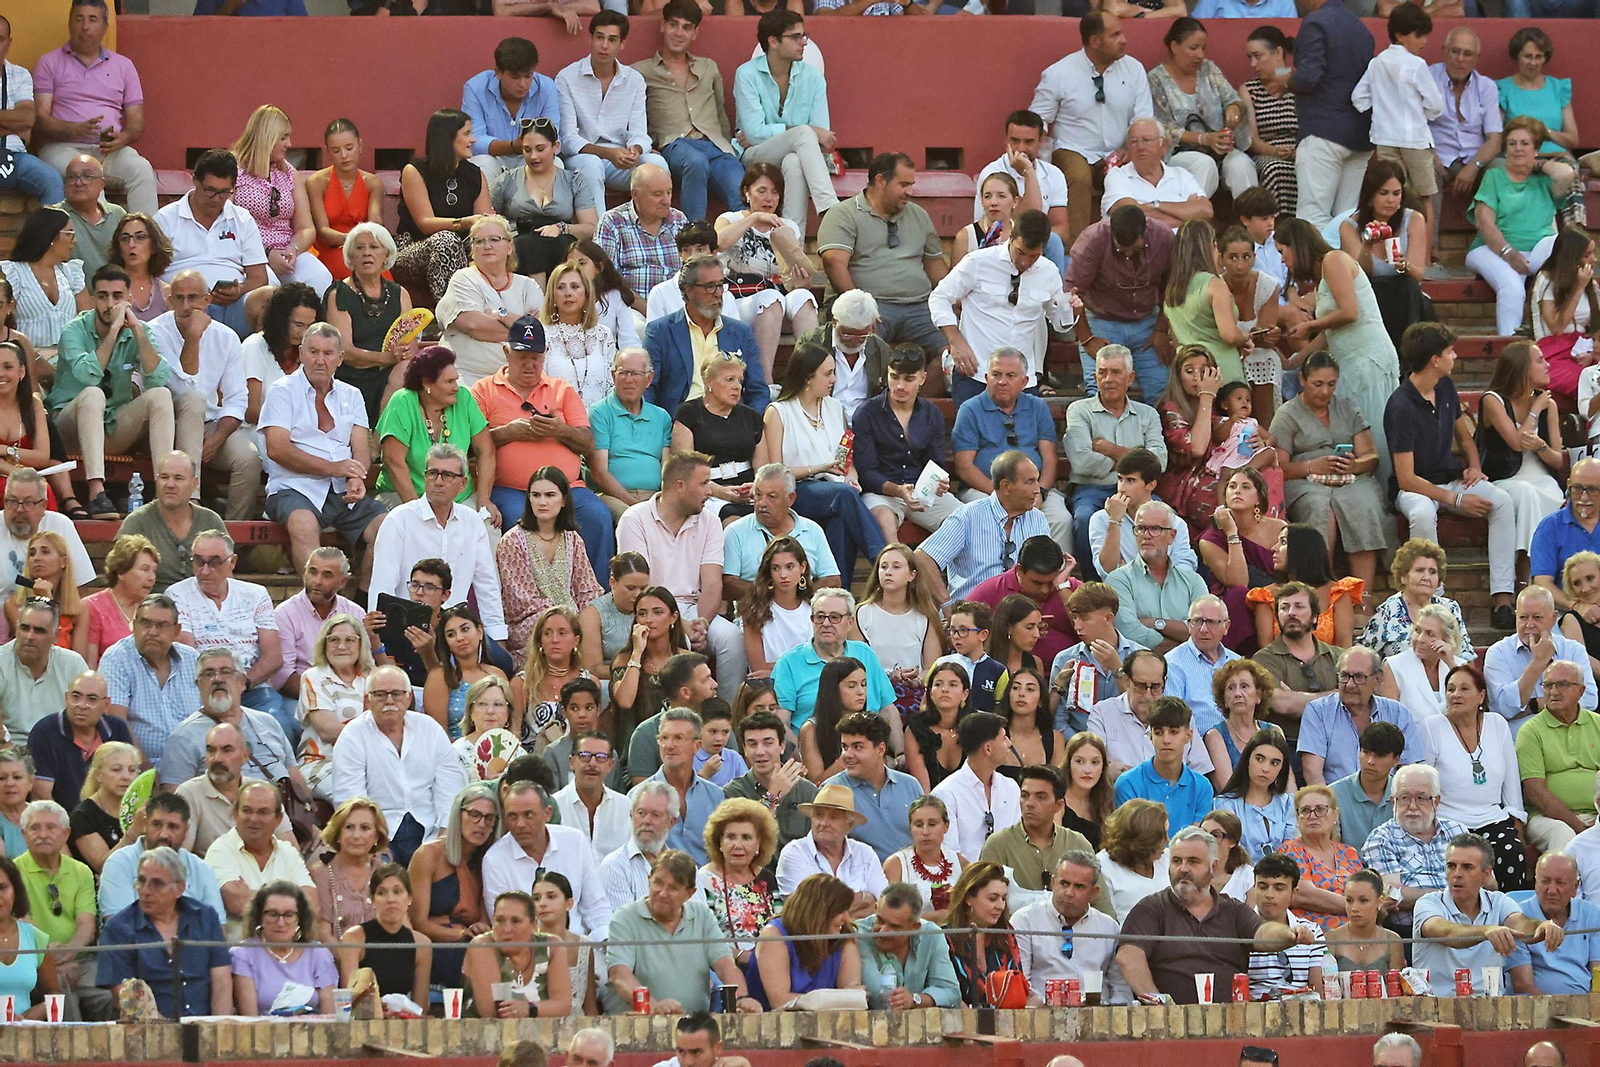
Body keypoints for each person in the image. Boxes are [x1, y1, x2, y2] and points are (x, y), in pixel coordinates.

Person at [1384, 323, 1513, 626]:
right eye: (1450, 351)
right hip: (1414, 487)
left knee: (1502, 501)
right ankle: (1433, 600)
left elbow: (1464, 437)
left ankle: (1503, 598)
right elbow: (1406, 478)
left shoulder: (1445, 386)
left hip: (1450, 477)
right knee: (1422, 514)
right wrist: (1454, 500)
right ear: (1434, 360)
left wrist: (1475, 465)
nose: (1455, 356)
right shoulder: (1400, 405)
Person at [1274, 217, 1400, 491]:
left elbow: (1349, 312)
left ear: (1297, 245)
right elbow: (1330, 333)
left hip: (1368, 360)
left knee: (1374, 435)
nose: (1283, 260)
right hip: (1349, 363)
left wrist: (1309, 325)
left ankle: (1385, 498)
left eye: (1283, 251)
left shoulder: (1334, 260)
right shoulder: (1322, 277)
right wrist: (1294, 361)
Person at [1117, 826, 1310, 1004]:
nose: (1183, 869)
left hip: (1231, 1020)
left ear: (1214, 867)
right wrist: (1159, 1005)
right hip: (1168, 1022)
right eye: (1176, 861)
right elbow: (1128, 956)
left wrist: (1290, 935)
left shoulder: (1233, 909)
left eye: (1193, 861)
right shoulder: (1151, 908)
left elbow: (1263, 933)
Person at [617, 452, 747, 700]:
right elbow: (640, 587)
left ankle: (727, 713)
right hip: (649, 609)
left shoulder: (710, 521)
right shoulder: (634, 519)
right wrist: (679, 625)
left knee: (732, 638)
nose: (710, 491)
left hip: (694, 608)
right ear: (679, 486)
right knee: (680, 640)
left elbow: (712, 584)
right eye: (704, 483)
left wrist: (702, 623)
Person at [47, 266, 173, 521]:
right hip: (69, 428)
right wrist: (114, 330)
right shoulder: (74, 329)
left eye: (117, 296)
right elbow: (88, 375)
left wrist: (137, 330)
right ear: (93, 298)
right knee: (93, 393)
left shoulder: (138, 329)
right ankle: (97, 492)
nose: (110, 304)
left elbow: (158, 377)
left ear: (128, 299)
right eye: (103, 296)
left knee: (160, 395)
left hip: (111, 426)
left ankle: (164, 491)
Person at [1268, 353, 1389, 611]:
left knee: (1363, 502)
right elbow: (1278, 467)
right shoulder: (1287, 414)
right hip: (1304, 480)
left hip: (1348, 478)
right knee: (1320, 506)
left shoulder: (1347, 409)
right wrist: (1311, 466)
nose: (1325, 391)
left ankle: (1363, 598)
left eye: (1331, 384)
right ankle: (1321, 594)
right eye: (1318, 384)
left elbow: (1371, 456)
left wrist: (1356, 465)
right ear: (1302, 380)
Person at [1031, 13, 1155, 243]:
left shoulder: (1134, 69)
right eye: (1115, 35)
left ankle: (1133, 246)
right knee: (1079, 177)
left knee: (1134, 172)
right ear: (1095, 41)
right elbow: (1037, 120)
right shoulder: (1059, 73)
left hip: (1120, 151)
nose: (1124, 40)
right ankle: (1074, 252)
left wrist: (1131, 148)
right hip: (1073, 149)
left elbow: (1144, 118)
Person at [930, 209, 1076, 403]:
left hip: (1022, 378)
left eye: (1033, 256)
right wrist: (955, 341)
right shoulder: (978, 261)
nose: (1024, 262)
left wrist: (1071, 309)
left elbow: (1059, 323)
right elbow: (939, 297)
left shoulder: (1048, 271)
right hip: (976, 371)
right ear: (1011, 237)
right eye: (1020, 252)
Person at [144, 272, 255, 520]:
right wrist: (193, 337)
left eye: (193, 298)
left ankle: (231, 534)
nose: (186, 306)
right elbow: (183, 389)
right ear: (169, 301)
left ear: (207, 300)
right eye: (179, 298)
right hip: (165, 423)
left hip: (209, 424)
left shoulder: (226, 337)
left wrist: (216, 439)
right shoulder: (155, 332)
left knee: (248, 460)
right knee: (194, 400)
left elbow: (237, 399)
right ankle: (190, 503)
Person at [331, 665, 468, 866]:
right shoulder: (352, 736)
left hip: (429, 831)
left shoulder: (429, 729)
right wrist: (372, 843)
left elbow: (451, 788)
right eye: (380, 694)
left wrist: (444, 836)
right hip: (379, 836)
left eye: (396, 694)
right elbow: (350, 798)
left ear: (409, 697)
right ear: (367, 700)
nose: (389, 701)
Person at [815, 153, 947, 357]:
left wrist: (953, 301)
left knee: (953, 352)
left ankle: (927, 381)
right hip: (871, 305)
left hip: (920, 307)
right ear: (880, 181)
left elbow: (936, 266)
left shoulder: (919, 215)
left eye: (911, 185)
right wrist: (862, 308)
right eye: (903, 184)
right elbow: (834, 263)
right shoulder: (843, 214)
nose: (910, 192)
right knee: (866, 352)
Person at [32, 0, 155, 216]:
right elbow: (40, 119)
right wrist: (73, 129)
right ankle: (104, 234)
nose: (85, 27)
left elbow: (137, 122)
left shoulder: (124, 66)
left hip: (110, 151)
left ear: (105, 27)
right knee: (87, 175)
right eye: (79, 19)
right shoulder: (49, 62)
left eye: (92, 19)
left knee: (142, 170)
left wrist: (123, 138)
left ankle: (147, 235)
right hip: (62, 149)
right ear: (70, 24)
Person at [607, 849, 757, 1014]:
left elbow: (725, 965)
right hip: (637, 1024)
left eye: (673, 888)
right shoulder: (625, 917)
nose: (662, 893)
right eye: (658, 883)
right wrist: (655, 1008)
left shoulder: (702, 915)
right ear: (649, 879)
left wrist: (742, 999)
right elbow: (619, 976)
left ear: (690, 893)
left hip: (694, 1024)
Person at [634, 2, 743, 228]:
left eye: (686, 27)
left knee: (739, 183)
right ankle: (693, 235)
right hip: (674, 145)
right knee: (695, 161)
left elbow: (720, 112)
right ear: (663, 26)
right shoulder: (641, 71)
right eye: (673, 25)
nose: (679, 32)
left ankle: (752, 242)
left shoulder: (708, 67)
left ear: (695, 33)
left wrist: (729, 147)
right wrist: (646, 144)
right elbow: (633, 114)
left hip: (713, 145)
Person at [1064, 346, 1167, 577]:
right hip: (1091, 489)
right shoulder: (1079, 411)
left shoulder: (1147, 414)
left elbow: (1159, 462)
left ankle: (1153, 580)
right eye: (1102, 373)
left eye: (1116, 372)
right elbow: (1082, 462)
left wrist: (1110, 449)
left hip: (1138, 489)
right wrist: (1138, 458)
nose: (1108, 379)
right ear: (1095, 378)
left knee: (1162, 516)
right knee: (1084, 519)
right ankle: (1094, 584)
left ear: (1130, 378)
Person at [732, 10, 837, 233]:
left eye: (804, 35)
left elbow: (822, 135)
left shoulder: (813, 78)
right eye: (796, 36)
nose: (804, 42)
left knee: (793, 161)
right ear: (773, 41)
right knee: (804, 133)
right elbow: (754, 134)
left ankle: (791, 239)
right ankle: (830, 209)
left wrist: (797, 133)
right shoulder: (747, 74)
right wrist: (806, 131)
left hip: (797, 155)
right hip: (755, 155)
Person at [97, 848, 232, 1018]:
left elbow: (222, 983)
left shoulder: (205, 917)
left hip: (205, 1024)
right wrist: (166, 1030)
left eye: (157, 883)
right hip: (148, 1028)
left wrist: (218, 1027)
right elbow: (124, 997)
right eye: (141, 881)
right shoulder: (119, 928)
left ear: (179, 889)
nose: (145, 891)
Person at [554, 12, 666, 217]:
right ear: (590, 39)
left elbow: (640, 132)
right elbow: (568, 139)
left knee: (657, 165)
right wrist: (608, 154)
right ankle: (599, 232)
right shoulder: (567, 77)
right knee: (592, 164)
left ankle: (652, 228)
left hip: (621, 159)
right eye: (599, 37)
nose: (604, 45)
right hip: (582, 158)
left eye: (612, 39)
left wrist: (635, 150)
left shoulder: (634, 80)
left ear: (622, 44)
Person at [1415, 832, 1555, 996]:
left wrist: (1543, 926)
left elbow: (1522, 925)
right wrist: (1486, 931)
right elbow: (1447, 933)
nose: (1457, 874)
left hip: (1490, 1006)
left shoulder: (1499, 901)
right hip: (1434, 1006)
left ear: (1486, 874)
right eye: (1451, 866)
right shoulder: (1428, 903)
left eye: (1467, 867)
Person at [716, 168, 819, 383]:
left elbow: (793, 274)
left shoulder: (787, 226)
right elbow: (718, 243)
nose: (769, 198)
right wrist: (754, 217)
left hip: (777, 297)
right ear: (746, 192)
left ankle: (809, 378)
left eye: (775, 192)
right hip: (739, 299)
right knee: (771, 299)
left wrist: (801, 284)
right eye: (761, 191)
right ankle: (764, 381)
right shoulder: (730, 218)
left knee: (803, 297)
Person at [154, 151, 269, 339]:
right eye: (210, 190)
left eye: (224, 193)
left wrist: (239, 290)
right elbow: (147, 274)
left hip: (232, 306)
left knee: (269, 298)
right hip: (183, 305)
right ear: (195, 181)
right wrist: (182, 294)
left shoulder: (242, 218)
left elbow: (259, 277)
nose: (216, 199)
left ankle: (257, 355)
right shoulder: (166, 219)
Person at [1065, 204, 1174, 403]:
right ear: (1112, 233)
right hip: (1102, 320)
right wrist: (1087, 339)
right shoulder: (1092, 240)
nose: (1129, 254)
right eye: (1122, 249)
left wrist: (1161, 328)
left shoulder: (1164, 238)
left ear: (1145, 232)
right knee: (1098, 391)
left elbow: (1173, 286)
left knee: (1162, 390)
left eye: (1136, 249)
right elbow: (1072, 294)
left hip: (1148, 323)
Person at [643, 254, 769, 420]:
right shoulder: (660, 331)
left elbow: (758, 390)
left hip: (730, 423)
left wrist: (751, 426)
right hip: (680, 422)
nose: (718, 293)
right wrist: (658, 426)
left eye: (720, 285)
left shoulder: (741, 332)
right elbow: (647, 388)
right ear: (688, 291)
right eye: (710, 287)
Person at [1465, 118, 1559, 337]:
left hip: (1538, 250)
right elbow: (1485, 223)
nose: (1518, 148)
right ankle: (1509, 345)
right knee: (1512, 287)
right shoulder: (1494, 176)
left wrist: (1540, 165)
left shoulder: (1544, 179)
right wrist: (1507, 252)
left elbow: (1566, 175)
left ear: (1536, 148)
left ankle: (1554, 343)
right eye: (1512, 143)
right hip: (1493, 249)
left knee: (1566, 256)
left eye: (1525, 143)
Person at [854, 349, 958, 544]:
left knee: (965, 521)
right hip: (881, 492)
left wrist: (940, 481)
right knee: (884, 522)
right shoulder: (867, 413)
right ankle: (894, 562)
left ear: (922, 378)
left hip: (922, 490)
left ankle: (927, 561)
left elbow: (936, 462)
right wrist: (898, 490)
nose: (900, 386)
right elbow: (867, 472)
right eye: (894, 377)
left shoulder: (931, 413)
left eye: (909, 379)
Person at [228, 106, 334, 299]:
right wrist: (266, 254)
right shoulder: (234, 171)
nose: (289, 144)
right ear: (267, 137)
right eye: (283, 138)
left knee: (320, 279)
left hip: (286, 250)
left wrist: (293, 249)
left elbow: (306, 228)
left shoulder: (289, 173)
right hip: (248, 254)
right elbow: (225, 224)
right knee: (271, 289)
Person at [1478, 340, 1565, 571]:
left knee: (1548, 493)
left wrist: (1540, 446)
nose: (1547, 365)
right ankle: (1528, 569)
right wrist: (1535, 409)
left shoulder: (1550, 406)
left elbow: (1557, 460)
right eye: (1540, 361)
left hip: (1542, 480)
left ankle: (1544, 569)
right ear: (1523, 367)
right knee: (1526, 493)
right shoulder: (1493, 400)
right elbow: (1517, 443)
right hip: (1506, 479)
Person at [1147, 19, 1257, 200]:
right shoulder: (1156, 79)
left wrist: (1234, 109)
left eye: (1203, 48)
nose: (1200, 55)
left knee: (1241, 164)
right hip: (1179, 153)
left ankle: (1252, 216)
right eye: (1193, 48)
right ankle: (1192, 216)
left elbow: (1232, 99)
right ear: (1174, 46)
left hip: (1219, 149)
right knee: (1204, 164)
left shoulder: (1209, 69)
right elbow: (1163, 129)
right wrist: (1204, 139)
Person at [480, 781, 607, 937]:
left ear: (547, 814)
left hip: (578, 943)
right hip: (525, 948)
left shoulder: (575, 841)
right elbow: (504, 925)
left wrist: (604, 943)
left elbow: (596, 907)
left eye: (528, 815)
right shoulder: (495, 859)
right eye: (512, 816)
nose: (520, 824)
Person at [436, 217, 546, 389]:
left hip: (517, 379)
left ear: (510, 247)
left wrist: (500, 314)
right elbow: (475, 325)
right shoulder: (464, 279)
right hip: (467, 375)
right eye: (479, 241)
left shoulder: (528, 286)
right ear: (472, 250)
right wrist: (523, 329)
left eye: (495, 239)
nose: (487, 246)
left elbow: (540, 332)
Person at [1333, 160, 1434, 349]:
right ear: (1370, 196)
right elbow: (1360, 274)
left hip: (1405, 298)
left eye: (1396, 194)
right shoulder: (1349, 226)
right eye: (1384, 193)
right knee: (1375, 289)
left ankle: (1408, 352)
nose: (1391, 200)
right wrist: (1367, 246)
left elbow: (1419, 274)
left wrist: (1404, 265)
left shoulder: (1414, 219)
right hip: (1371, 294)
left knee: (1409, 286)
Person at [394, 109, 490, 304]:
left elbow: (483, 222)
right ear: (447, 138)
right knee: (446, 240)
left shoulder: (475, 174)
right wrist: (464, 222)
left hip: (462, 249)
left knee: (494, 241)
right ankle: (452, 312)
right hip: (414, 248)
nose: (473, 139)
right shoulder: (415, 171)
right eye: (467, 134)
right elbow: (425, 224)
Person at [408, 783, 498, 989]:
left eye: (489, 818)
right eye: (474, 815)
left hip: (475, 947)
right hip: (435, 947)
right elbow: (417, 922)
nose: (481, 824)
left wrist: (478, 931)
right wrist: (461, 935)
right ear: (458, 814)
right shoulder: (428, 854)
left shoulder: (490, 860)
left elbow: (485, 921)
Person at [1362, 764, 1468, 936]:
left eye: (1421, 798)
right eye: (1404, 798)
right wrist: (1453, 894)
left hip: (1468, 920)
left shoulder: (1458, 831)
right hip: (1415, 933)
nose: (1412, 806)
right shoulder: (1380, 839)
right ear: (1393, 802)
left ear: (1436, 801)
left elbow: (1487, 882)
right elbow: (1393, 896)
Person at [203, 781, 316, 939]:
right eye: (247, 811)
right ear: (235, 814)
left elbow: (312, 903)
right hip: (240, 951)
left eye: (263, 812)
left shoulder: (288, 852)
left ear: (278, 819)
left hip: (288, 950)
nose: (254, 819)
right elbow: (238, 903)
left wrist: (253, 895)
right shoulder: (220, 851)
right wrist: (290, 905)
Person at [1497, 28, 1584, 229]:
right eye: (1527, 56)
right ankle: (1549, 227)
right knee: (1533, 176)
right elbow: (1497, 136)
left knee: (1565, 173)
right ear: (1517, 56)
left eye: (1539, 56)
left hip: (1555, 157)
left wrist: (1546, 133)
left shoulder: (1557, 88)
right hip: (1518, 157)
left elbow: (1573, 139)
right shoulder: (1504, 89)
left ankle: (1572, 234)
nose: (1533, 62)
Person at [1299, 646, 1423, 786]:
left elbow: (1408, 771)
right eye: (1344, 676)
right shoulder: (1318, 711)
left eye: (1359, 677)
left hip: (1387, 798)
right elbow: (1312, 773)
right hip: (1335, 797)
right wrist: (1326, 800)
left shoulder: (1398, 714)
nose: (1350, 684)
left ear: (1377, 680)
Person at [97, 790, 222, 923]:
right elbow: (119, 927)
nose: (163, 834)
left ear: (186, 830)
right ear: (145, 825)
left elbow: (218, 927)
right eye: (157, 825)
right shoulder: (119, 863)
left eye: (173, 827)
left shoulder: (201, 869)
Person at [1486, 587, 1598, 736]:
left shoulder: (1573, 650)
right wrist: (1538, 661)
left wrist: (1536, 704)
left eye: (1537, 617)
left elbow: (1590, 699)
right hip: (1521, 739)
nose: (1529, 624)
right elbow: (1504, 708)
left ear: (1553, 618)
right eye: (1523, 617)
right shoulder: (1498, 652)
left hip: (1570, 735)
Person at [1515, 659, 1600, 852]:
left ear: (1581, 691)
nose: (1553, 691)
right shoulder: (1530, 731)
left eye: (1562, 684)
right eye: (1548, 685)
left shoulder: (1598, 725)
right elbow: (1535, 792)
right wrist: (1580, 828)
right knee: (1562, 833)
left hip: (1596, 813)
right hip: (1547, 819)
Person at [670, 355, 767, 524]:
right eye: (729, 380)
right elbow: (684, 469)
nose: (737, 386)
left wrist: (756, 487)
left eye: (740, 381)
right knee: (733, 521)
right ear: (709, 382)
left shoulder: (751, 417)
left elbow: (764, 469)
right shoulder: (688, 414)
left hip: (749, 493)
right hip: (707, 492)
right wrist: (721, 492)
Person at [1106, 502, 1207, 653]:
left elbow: (1205, 629)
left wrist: (1156, 623)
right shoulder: (1118, 580)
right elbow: (1130, 632)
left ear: (1172, 536)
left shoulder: (1193, 581)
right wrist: (1185, 646)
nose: (1146, 535)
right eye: (1140, 528)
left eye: (1155, 529)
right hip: (1137, 664)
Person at [460, 36, 561, 185]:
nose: (523, 84)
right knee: (481, 164)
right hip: (492, 157)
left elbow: (553, 136)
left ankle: (538, 202)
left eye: (528, 76)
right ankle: (487, 202)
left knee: (556, 163)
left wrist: (530, 147)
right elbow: (474, 141)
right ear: (498, 72)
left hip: (531, 155)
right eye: (515, 77)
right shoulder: (475, 88)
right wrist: (513, 146)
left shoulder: (546, 88)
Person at [28, 670, 133, 809]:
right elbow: (41, 796)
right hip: (60, 819)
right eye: (76, 697)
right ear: (66, 699)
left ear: (106, 705)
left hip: (109, 817)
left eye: (92, 699)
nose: (82, 705)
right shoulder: (44, 732)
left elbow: (131, 787)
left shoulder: (117, 728)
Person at [587, 349, 671, 520]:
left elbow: (667, 469)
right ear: (613, 376)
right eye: (623, 373)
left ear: (649, 379)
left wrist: (662, 501)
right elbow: (599, 472)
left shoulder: (661, 417)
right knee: (631, 519)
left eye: (635, 374)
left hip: (655, 497)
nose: (628, 380)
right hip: (614, 496)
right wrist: (634, 504)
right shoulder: (600, 412)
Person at [462, 889, 573, 1019]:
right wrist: (541, 1009)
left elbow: (563, 1006)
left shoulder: (552, 946)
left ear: (533, 925)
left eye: (515, 921)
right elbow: (492, 1012)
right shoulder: (483, 946)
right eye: (500, 920)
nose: (506, 929)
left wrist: (528, 1009)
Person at [230, 882, 337, 1015]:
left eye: (289, 915)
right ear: (259, 917)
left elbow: (329, 1016)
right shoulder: (243, 954)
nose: (280, 923)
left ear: (300, 919)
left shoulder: (318, 953)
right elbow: (250, 1020)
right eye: (273, 914)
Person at [697, 796, 779, 968]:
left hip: (768, 964)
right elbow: (702, 937)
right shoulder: (703, 880)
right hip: (722, 966)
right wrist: (742, 956)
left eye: (746, 837)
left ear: (759, 844)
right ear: (719, 842)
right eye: (731, 837)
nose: (738, 845)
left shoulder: (767, 878)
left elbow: (781, 923)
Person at [931, 712, 1022, 863]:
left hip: (1007, 875)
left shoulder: (1011, 787)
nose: (1009, 743)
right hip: (965, 876)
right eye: (1004, 738)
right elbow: (948, 854)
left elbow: (1018, 842)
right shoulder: (946, 793)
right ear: (988, 748)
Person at [337, 863, 431, 1007]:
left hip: (403, 1018)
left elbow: (421, 1007)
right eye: (382, 893)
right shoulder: (354, 938)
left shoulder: (422, 945)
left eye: (397, 892)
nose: (390, 899)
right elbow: (349, 999)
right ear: (373, 899)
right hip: (363, 1017)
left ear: (409, 898)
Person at [1363, 538, 1474, 661]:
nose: (1426, 577)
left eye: (1432, 572)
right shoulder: (1388, 611)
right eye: (1419, 570)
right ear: (1403, 576)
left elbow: (1467, 658)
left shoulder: (1450, 608)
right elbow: (1364, 657)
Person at [305, 119, 386, 286]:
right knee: (355, 274)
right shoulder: (316, 182)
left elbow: (375, 224)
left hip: (366, 249)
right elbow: (323, 232)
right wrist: (352, 240)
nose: (344, 155)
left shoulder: (373, 183)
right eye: (336, 150)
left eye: (349, 148)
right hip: (330, 250)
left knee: (383, 278)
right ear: (328, 151)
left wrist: (362, 244)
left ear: (360, 145)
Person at [856, 883, 962, 1009]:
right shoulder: (858, 933)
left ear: (914, 927)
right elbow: (878, 996)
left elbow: (952, 993)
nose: (883, 931)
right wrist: (905, 1001)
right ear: (876, 908)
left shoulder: (931, 934)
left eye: (894, 926)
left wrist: (915, 999)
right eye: (880, 920)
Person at [0, 210, 88, 357]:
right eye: (69, 234)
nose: (74, 240)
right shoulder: (12, 273)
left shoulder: (71, 273)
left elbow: (89, 321)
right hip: (27, 359)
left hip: (69, 359)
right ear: (50, 236)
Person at [941, 862, 1025, 1009]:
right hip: (961, 1020)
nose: (1000, 906)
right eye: (992, 899)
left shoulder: (1005, 933)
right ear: (968, 898)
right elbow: (946, 994)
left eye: (1003, 899)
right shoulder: (944, 939)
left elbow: (1017, 985)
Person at [0, 599, 87, 740]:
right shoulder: (2, 660)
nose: (30, 636)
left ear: (56, 636)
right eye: (24, 628)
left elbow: (90, 718)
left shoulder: (72, 664)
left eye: (39, 631)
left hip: (58, 747)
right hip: (8, 747)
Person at [1517, 852, 1600, 995]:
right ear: (1536, 883)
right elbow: (1522, 985)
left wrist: (1590, 1006)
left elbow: (1598, 973)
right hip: (1534, 1005)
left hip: (1584, 1004)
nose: (1551, 890)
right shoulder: (1518, 917)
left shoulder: (1592, 914)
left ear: (1575, 887)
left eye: (1560, 883)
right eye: (1545, 881)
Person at [1238, 28, 1298, 217]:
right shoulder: (1249, 90)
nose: (1253, 64)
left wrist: (1299, 151)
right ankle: (1274, 224)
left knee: (1313, 166)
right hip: (1267, 154)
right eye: (1250, 58)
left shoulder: (1299, 84)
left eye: (1258, 56)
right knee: (1274, 169)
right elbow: (1252, 139)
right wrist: (1275, 151)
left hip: (1302, 152)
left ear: (1278, 52)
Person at [1212, 730, 1295, 861]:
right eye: (1259, 759)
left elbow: (1293, 851)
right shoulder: (1225, 804)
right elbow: (1229, 855)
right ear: (1247, 760)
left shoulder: (1288, 803)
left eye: (1274, 763)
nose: (1265, 769)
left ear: (1282, 768)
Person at [1539, 228, 1600, 406]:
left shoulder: (1591, 285)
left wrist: (1592, 353)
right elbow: (1557, 327)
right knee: (1590, 383)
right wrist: (1579, 288)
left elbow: (1596, 327)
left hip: (1584, 349)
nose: (1594, 259)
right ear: (1571, 257)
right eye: (1587, 255)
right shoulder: (1546, 280)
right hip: (1553, 354)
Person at [1377, 604, 1468, 723]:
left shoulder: (1458, 666)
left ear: (1446, 640)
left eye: (1430, 634)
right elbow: (1389, 720)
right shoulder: (1394, 666)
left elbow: (1470, 709)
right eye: (1417, 631)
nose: (1420, 639)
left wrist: (1451, 664)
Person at [880, 794, 965, 920]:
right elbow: (888, 913)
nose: (925, 832)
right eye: (919, 825)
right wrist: (934, 918)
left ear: (946, 826)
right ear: (910, 827)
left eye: (932, 824)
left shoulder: (961, 863)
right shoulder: (896, 864)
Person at [1200, 657, 1277, 787]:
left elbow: (1287, 784)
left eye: (1244, 686)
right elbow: (1227, 788)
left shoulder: (1274, 732)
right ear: (1225, 700)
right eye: (1231, 688)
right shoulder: (1215, 736)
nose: (1237, 693)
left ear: (1258, 695)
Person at [66, 739, 136, 874]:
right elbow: (104, 867)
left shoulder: (142, 809)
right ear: (98, 775)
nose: (126, 777)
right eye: (116, 770)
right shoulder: (83, 816)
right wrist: (132, 834)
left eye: (132, 770)